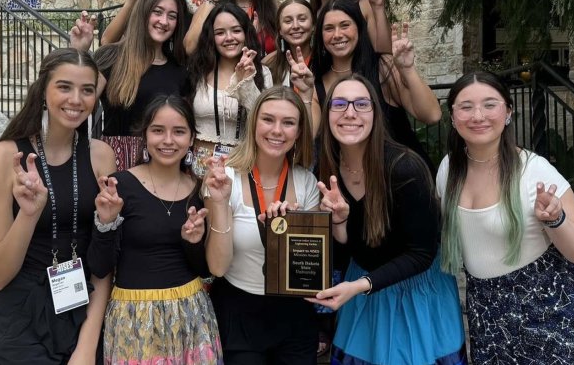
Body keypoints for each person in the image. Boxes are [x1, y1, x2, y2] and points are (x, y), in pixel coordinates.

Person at [437, 71, 574, 364]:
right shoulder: (448, 171)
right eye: (466, 106)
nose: (478, 115)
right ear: (453, 116)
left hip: (553, 317)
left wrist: (556, 220)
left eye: (490, 104)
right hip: (489, 319)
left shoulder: (535, 171)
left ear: (508, 111)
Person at [309, 74, 467, 365]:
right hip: (362, 284)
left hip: (413, 292)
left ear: (375, 114)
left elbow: (422, 253)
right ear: (328, 113)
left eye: (361, 104)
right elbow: (352, 249)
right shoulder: (327, 166)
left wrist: (359, 286)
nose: (350, 113)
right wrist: (340, 224)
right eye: (340, 104)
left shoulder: (405, 168)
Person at [0, 48, 116, 364]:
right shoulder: (4, 158)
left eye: (87, 90)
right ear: (43, 91)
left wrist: (86, 346)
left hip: (82, 310)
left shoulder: (101, 156)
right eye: (64, 87)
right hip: (21, 320)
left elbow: (104, 257)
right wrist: (29, 214)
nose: (76, 100)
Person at [89, 94, 222, 364]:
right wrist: (105, 224)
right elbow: (100, 266)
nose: (168, 140)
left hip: (191, 317)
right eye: (158, 130)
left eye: (179, 132)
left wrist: (193, 243)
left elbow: (204, 270)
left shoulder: (199, 190)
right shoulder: (120, 186)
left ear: (192, 138)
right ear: (145, 136)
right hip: (133, 321)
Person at [203, 86, 319, 364]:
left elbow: (308, 273)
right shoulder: (224, 178)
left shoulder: (306, 183)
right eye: (268, 119)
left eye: (288, 122)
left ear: (299, 132)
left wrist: (288, 234)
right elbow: (217, 267)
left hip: (294, 315)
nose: (277, 130)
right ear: (254, 123)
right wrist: (219, 203)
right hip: (239, 310)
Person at [310, 0, 441, 170]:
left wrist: (408, 70)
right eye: (329, 28)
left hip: (401, 177)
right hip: (348, 182)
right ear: (320, 36)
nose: (337, 34)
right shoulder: (316, 83)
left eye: (345, 25)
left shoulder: (383, 67)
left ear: (359, 28)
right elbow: (309, 135)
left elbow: (432, 115)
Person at [98, 0, 190, 171]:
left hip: (161, 164)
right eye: (157, 12)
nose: (164, 21)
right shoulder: (111, 57)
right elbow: (82, 101)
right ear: (143, 13)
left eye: (172, 16)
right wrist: (79, 50)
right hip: (113, 163)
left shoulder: (179, 71)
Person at [187, 2, 272, 177]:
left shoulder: (263, 73)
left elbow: (265, 120)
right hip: (200, 167)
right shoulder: (198, 71)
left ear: (246, 33)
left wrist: (247, 82)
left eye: (236, 30)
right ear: (211, 37)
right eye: (220, 32)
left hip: (244, 166)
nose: (229, 38)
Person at [262, 0, 316, 87]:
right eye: (288, 21)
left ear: (313, 25)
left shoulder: (326, 63)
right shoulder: (269, 67)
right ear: (280, 30)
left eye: (302, 19)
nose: (295, 26)